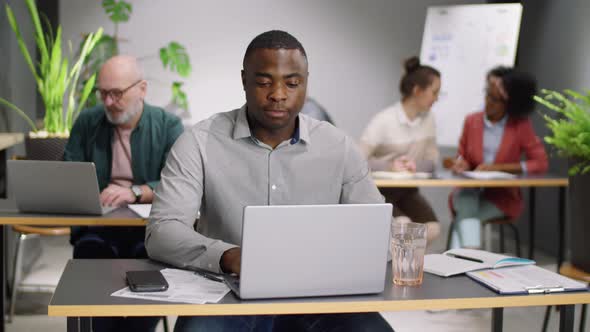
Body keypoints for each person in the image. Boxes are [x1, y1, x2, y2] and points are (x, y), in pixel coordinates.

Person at [146, 30, 393, 332]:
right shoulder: (199, 142)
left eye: (292, 83)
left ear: (305, 82)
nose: (278, 93)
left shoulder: (338, 145)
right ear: (243, 80)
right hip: (227, 296)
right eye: (264, 82)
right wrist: (229, 256)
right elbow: (162, 231)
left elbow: (378, 235)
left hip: (321, 299)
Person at [63, 55, 183, 332]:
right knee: (92, 256)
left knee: (150, 261)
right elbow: (70, 170)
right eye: (103, 93)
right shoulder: (88, 121)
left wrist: (136, 191)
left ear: (142, 89)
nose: (107, 102)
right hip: (98, 225)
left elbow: (178, 183)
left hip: (149, 228)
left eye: (116, 93)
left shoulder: (168, 126)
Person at [447, 66, 548, 249]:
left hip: (502, 197)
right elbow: (462, 156)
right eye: (487, 95)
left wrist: (498, 168)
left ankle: (461, 262)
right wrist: (461, 163)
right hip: (469, 190)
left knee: (465, 219)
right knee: (467, 203)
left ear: (509, 103)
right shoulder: (472, 121)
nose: (488, 102)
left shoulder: (520, 125)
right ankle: (470, 260)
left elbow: (540, 163)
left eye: (496, 99)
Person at [359, 56, 441, 243]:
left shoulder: (429, 120)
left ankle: (411, 270)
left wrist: (415, 165)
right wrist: (389, 166)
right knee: (403, 227)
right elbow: (358, 162)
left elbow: (432, 161)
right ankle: (397, 270)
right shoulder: (383, 120)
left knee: (433, 229)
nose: (436, 99)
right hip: (380, 192)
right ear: (417, 91)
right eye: (434, 92)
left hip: (408, 191)